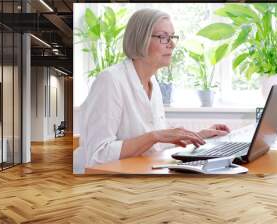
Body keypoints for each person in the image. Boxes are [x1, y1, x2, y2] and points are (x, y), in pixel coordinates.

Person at [78, 9, 230, 169]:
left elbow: (155, 145)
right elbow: (97, 155)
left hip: (142, 174)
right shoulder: (110, 80)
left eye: (172, 37)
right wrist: (154, 136)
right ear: (140, 39)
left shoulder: (153, 84)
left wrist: (197, 136)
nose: (172, 44)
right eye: (163, 37)